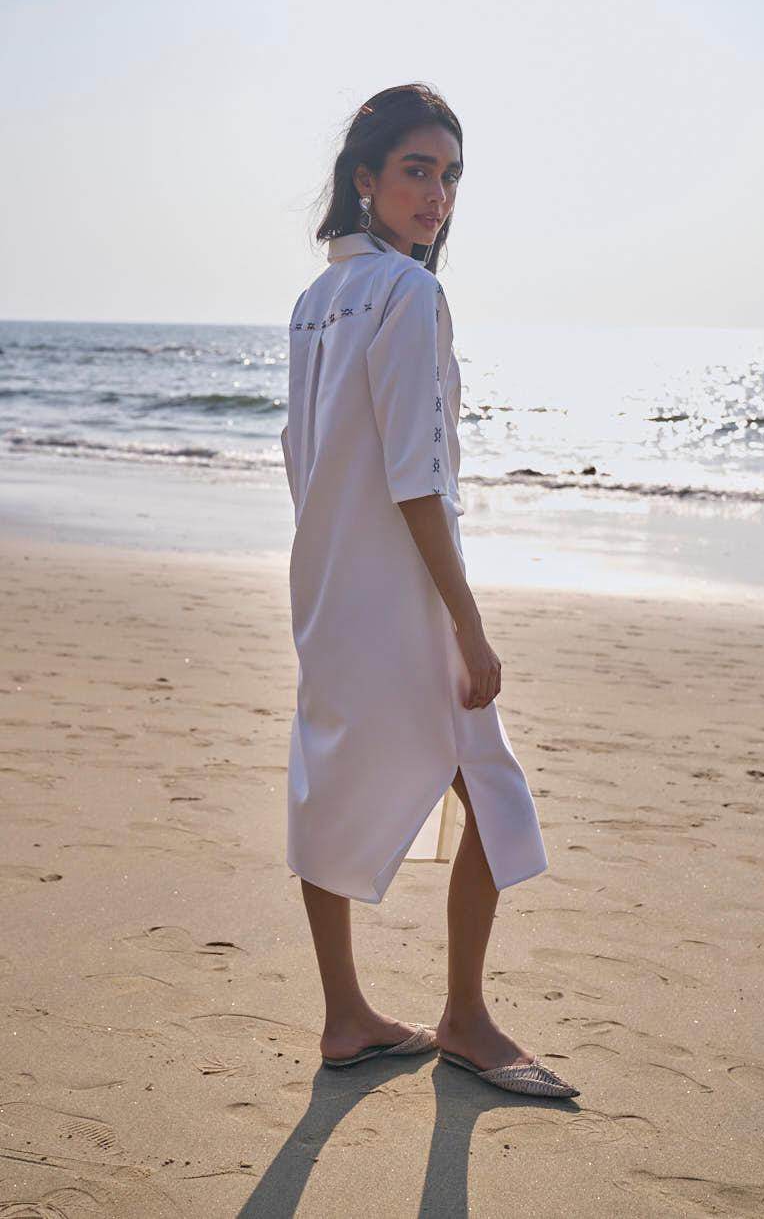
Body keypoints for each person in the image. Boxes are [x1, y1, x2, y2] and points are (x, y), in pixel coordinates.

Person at [281, 83, 579, 1099]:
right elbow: (418, 475)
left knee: (325, 787)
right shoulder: (407, 293)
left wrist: (329, 569)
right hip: (404, 600)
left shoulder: (316, 300)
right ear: (363, 178)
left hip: (329, 589)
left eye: (449, 176)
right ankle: (463, 1017)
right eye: (417, 170)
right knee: (493, 793)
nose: (437, 195)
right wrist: (469, 623)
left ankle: (346, 1017)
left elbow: (302, 458)